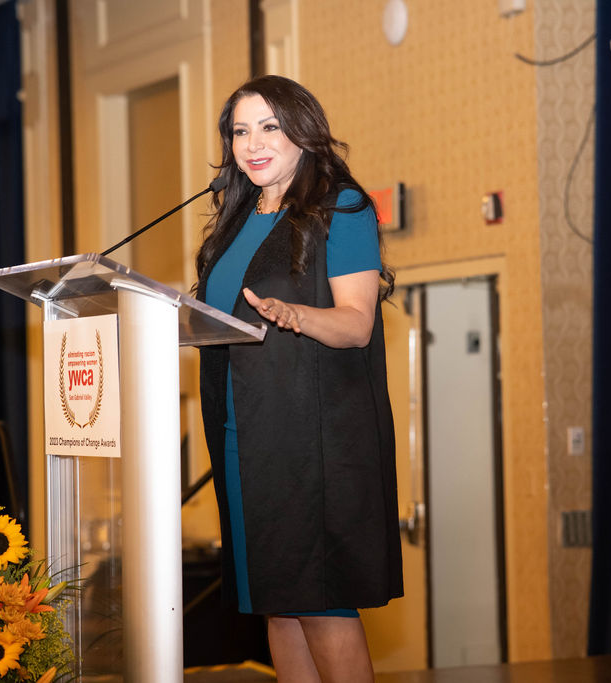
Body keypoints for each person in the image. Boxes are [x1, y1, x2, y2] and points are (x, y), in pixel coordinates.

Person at [193, 75, 402, 682]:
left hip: (312, 437)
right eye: (240, 131)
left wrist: (297, 315)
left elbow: (357, 324)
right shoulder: (236, 219)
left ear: (303, 132)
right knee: (278, 603)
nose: (252, 143)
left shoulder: (341, 207)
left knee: (321, 601)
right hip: (242, 433)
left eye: (270, 127)